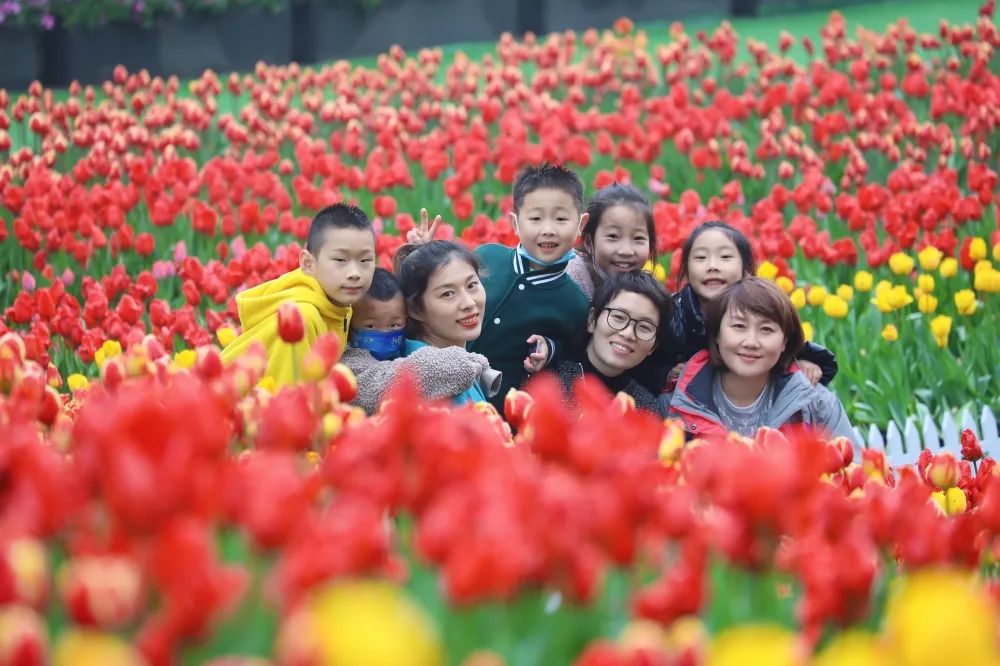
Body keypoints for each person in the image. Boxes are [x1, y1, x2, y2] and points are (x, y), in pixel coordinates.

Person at [408, 163, 591, 409]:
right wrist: (423, 254)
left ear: (581, 224)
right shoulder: (488, 256)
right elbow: (443, 283)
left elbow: (573, 354)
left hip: (500, 409)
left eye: (561, 219)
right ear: (515, 223)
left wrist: (551, 349)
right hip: (440, 384)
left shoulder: (574, 302)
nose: (548, 230)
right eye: (535, 218)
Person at [664, 277, 859, 446]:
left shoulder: (816, 405)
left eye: (766, 329)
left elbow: (853, 471)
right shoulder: (676, 404)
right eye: (739, 326)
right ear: (717, 334)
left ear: (785, 341)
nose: (751, 342)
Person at [220, 203, 375, 386]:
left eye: (365, 260)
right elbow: (287, 395)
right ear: (308, 264)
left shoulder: (340, 306)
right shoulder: (300, 317)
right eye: (341, 259)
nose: (355, 273)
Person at [669, 220, 837, 387]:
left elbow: (793, 345)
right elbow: (654, 361)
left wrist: (803, 361)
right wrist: (666, 373)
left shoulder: (762, 305)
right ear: (686, 268)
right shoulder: (670, 313)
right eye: (700, 258)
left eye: (725, 257)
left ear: (746, 268)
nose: (712, 266)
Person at [343, 241, 501, 414]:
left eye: (471, 285)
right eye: (448, 294)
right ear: (415, 309)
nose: (469, 303)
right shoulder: (440, 379)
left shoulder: (450, 363)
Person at [554, 271, 671, 415]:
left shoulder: (646, 410)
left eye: (645, 327)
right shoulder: (548, 380)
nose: (628, 333)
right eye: (619, 317)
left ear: (654, 345)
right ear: (592, 320)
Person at [566, 183, 657, 301]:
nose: (626, 251)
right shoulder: (572, 282)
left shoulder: (644, 288)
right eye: (613, 236)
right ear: (588, 242)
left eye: (638, 238)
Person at [348, 267, 406, 361]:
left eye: (394, 325)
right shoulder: (345, 359)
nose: (384, 333)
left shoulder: (416, 352)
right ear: (350, 322)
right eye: (371, 326)